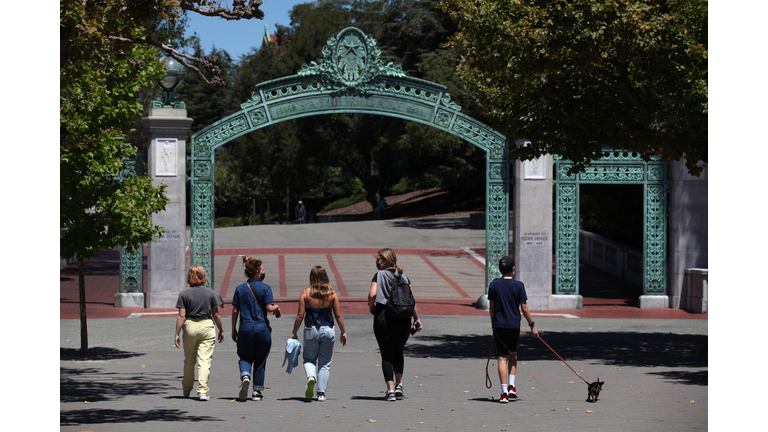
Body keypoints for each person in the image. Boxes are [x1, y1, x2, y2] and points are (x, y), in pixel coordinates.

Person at [367, 248, 422, 401]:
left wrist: (371, 306)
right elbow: (411, 299)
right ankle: (399, 385)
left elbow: (372, 294)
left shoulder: (379, 275)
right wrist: (416, 319)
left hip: (384, 316)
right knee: (398, 351)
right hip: (403, 318)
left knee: (386, 354)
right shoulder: (403, 275)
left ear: (384, 260)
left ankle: (390, 390)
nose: (377, 262)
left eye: (378, 259)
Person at [290, 266, 349, 401]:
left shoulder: (305, 293)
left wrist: (294, 332)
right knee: (325, 362)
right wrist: (343, 332)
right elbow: (338, 316)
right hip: (328, 330)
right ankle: (321, 393)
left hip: (311, 330)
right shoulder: (332, 294)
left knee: (309, 359)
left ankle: (311, 377)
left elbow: (300, 315)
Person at [487, 256, 539, 403]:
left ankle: (504, 393)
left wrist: (494, 325)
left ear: (499, 269)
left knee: (502, 357)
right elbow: (524, 307)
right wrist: (532, 325)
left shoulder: (494, 285)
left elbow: (491, 308)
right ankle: (512, 386)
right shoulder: (519, 285)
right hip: (514, 325)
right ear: (513, 269)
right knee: (513, 354)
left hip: (499, 325)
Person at [232, 256, 282, 401]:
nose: (264, 271)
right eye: (263, 269)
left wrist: (233, 329)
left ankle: (245, 375)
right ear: (258, 272)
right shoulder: (266, 288)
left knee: (244, 356)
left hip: (245, 328)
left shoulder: (240, 289)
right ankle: (257, 391)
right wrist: (277, 307)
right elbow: (269, 307)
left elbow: (235, 311)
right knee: (260, 359)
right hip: (262, 329)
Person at [174, 265, 225, 401]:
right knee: (204, 360)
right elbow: (216, 314)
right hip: (207, 326)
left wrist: (177, 334)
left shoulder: (184, 293)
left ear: (189, 276)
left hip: (190, 325)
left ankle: (186, 389)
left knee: (189, 360)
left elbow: (181, 316)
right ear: (203, 276)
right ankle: (202, 391)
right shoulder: (211, 293)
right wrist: (221, 329)